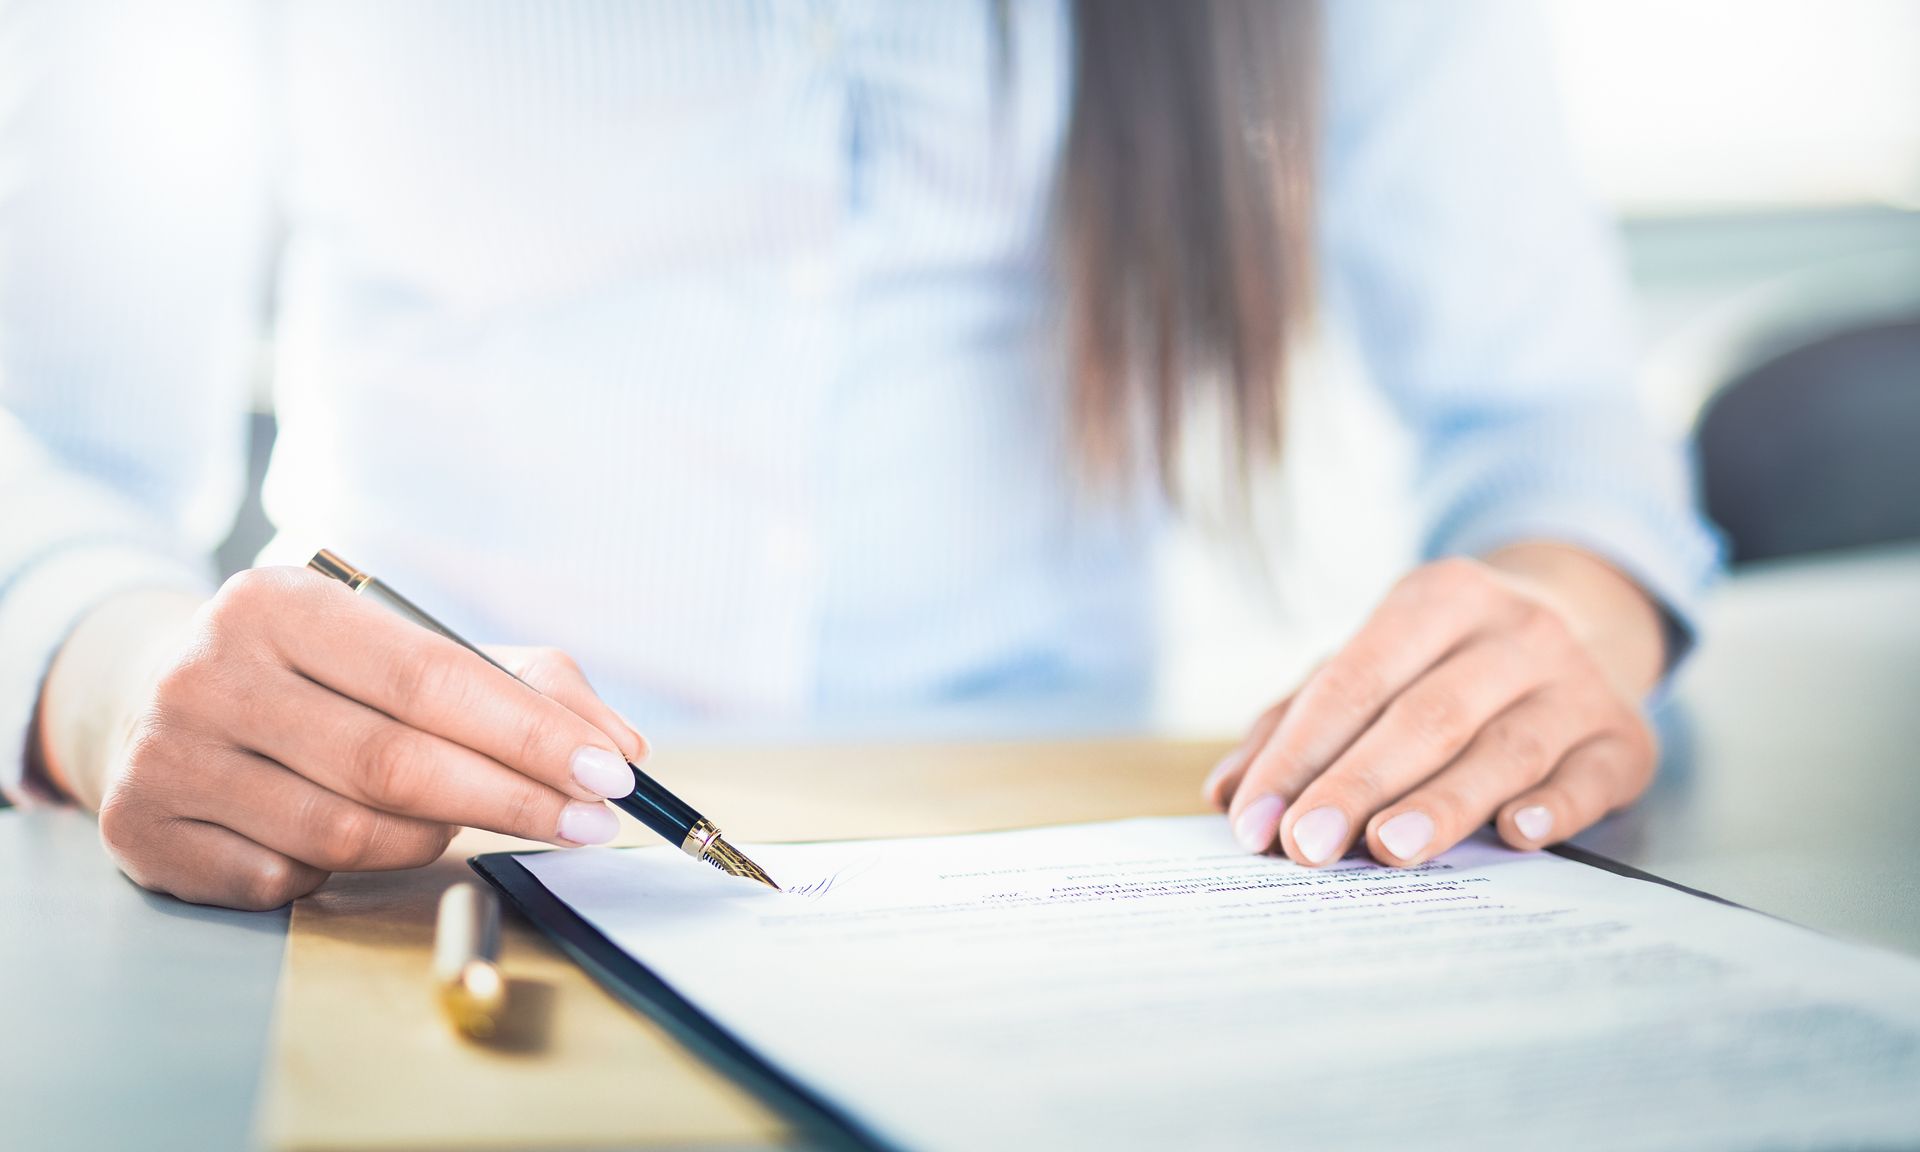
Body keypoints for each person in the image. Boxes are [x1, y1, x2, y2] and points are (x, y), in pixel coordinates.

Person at [0, 0, 1715, 910]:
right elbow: (45, 455)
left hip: (1098, 884)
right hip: (414, 861)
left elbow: (1556, 428)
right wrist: (117, 678)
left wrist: (1556, 619)